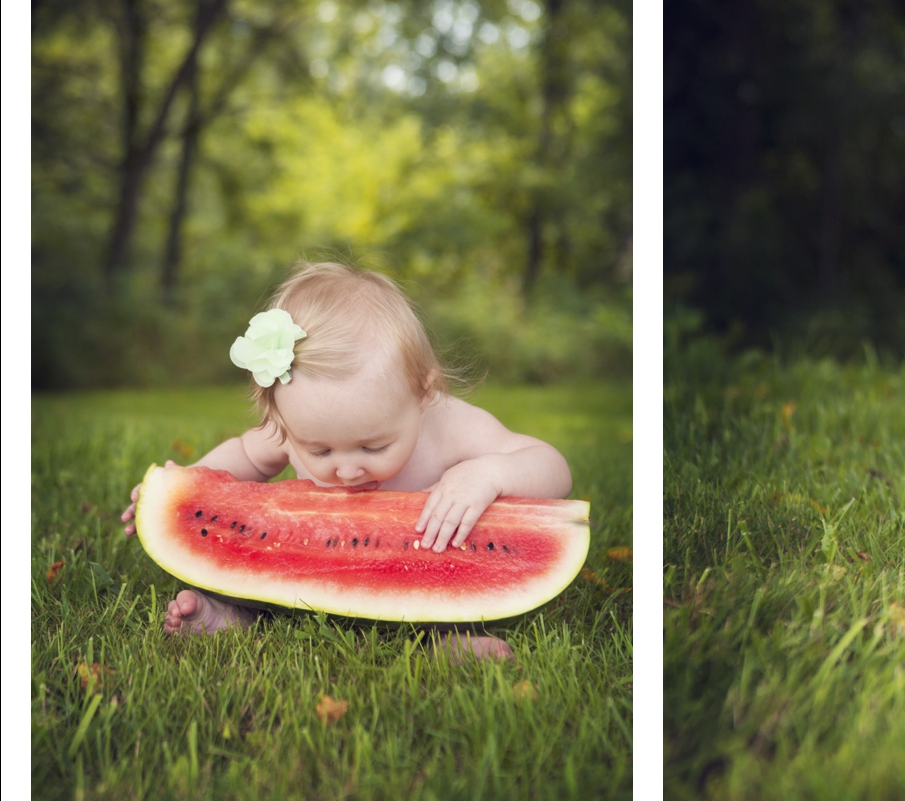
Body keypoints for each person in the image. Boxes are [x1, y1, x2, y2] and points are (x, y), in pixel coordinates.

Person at [120, 260, 573, 659]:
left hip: (424, 578)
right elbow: (243, 455)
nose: (348, 469)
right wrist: (179, 490)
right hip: (302, 573)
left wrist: (489, 472)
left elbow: (553, 467)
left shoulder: (450, 425)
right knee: (255, 575)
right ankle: (229, 618)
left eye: (373, 447)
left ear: (422, 393)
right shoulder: (291, 428)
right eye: (319, 451)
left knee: (447, 593)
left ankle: (449, 639)